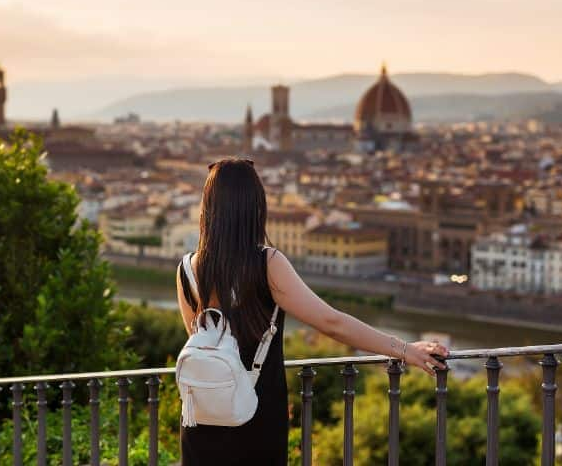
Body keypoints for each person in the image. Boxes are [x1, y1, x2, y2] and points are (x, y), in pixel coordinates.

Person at [176, 158, 449, 465]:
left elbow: (204, 346)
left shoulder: (187, 269)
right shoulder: (267, 264)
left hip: (200, 420)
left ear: (208, 207)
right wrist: (405, 349)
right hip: (254, 419)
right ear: (255, 206)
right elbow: (332, 322)